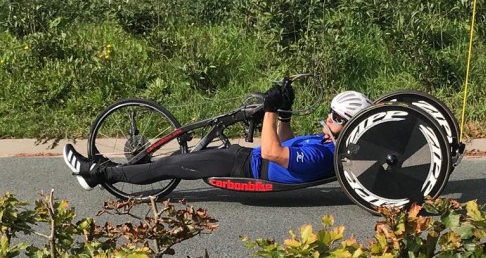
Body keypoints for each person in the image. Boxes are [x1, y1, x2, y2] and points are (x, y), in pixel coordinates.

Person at [63, 85, 372, 190]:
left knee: (169, 165)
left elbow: (271, 152)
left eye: (333, 116)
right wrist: (284, 113)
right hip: (241, 157)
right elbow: (286, 143)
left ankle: (98, 175)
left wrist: (269, 109)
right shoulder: (326, 144)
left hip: (242, 166)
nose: (326, 119)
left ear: (344, 125)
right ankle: (104, 165)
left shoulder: (324, 155)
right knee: (174, 160)